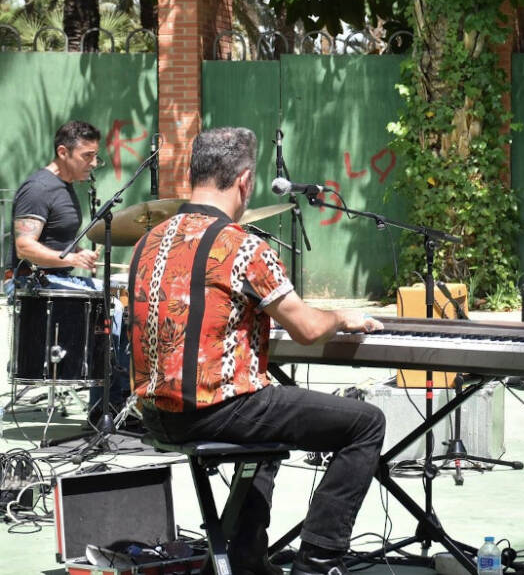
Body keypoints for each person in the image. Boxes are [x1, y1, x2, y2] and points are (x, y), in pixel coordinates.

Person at [129, 127, 386, 575]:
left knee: (265, 404)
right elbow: (306, 328)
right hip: (213, 410)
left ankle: (246, 553)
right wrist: (341, 317)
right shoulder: (244, 247)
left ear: (194, 175)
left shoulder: (147, 242)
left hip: (154, 412)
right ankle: (319, 561)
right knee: (365, 424)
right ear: (246, 181)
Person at [6, 120, 131, 417]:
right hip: (31, 281)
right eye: (87, 156)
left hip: (55, 275)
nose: (93, 163)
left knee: (124, 303)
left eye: (95, 155)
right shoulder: (38, 189)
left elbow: (57, 239)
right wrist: (72, 260)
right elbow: (25, 246)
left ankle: (115, 401)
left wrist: (78, 252)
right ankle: (103, 408)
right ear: (63, 152)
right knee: (110, 306)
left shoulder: (66, 187)